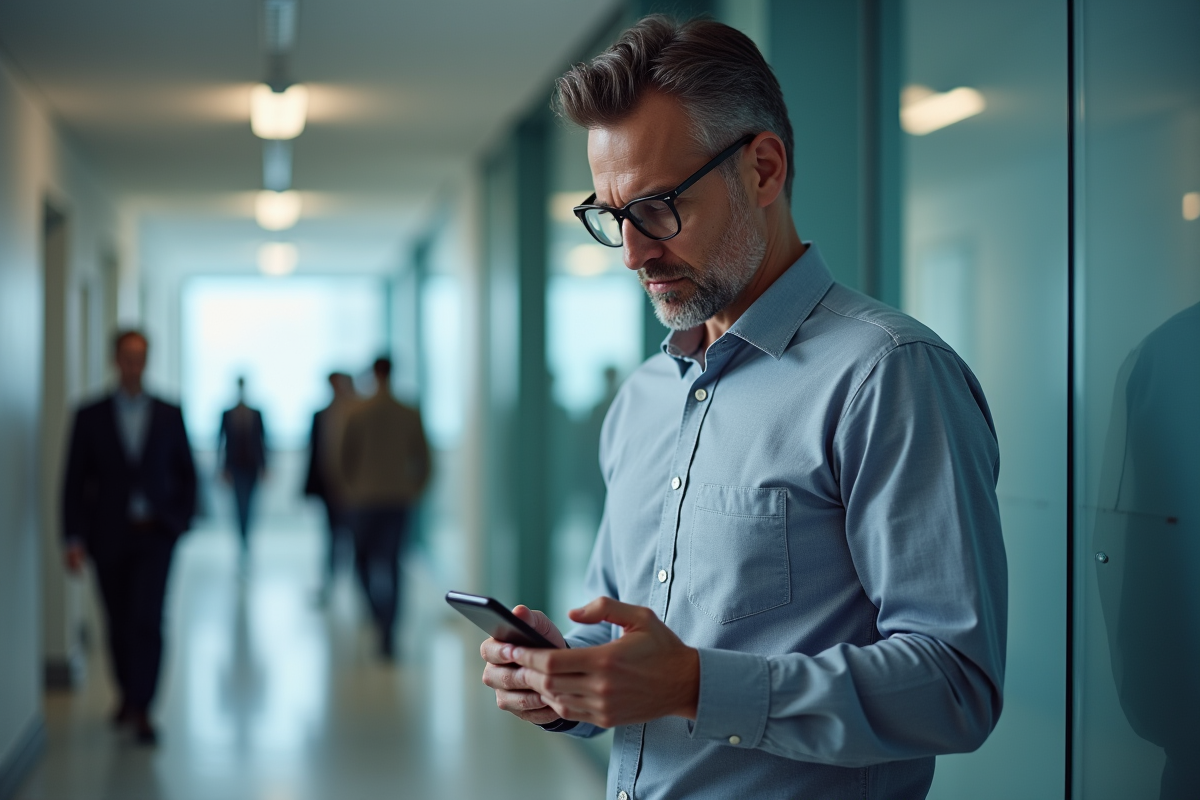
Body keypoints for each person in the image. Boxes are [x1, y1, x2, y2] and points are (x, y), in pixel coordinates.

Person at [478, 16, 1007, 800]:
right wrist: (565, 683)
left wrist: (695, 685)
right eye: (612, 216)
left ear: (762, 171)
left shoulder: (887, 377)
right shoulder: (643, 400)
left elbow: (954, 686)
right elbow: (622, 639)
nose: (631, 253)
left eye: (658, 208)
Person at [62, 330, 197, 745]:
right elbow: (74, 480)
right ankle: (125, 692)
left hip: (155, 534)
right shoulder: (90, 415)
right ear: (114, 359)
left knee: (148, 617)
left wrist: (178, 523)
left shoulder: (169, 413)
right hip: (109, 534)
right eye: (126, 356)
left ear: (148, 360)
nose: (133, 364)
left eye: (140, 356)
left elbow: (187, 474)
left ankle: (143, 706)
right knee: (117, 620)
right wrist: (72, 538)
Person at [340, 357, 431, 658]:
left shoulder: (356, 411)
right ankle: (388, 628)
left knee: (362, 562)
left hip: (365, 499)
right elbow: (425, 460)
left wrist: (351, 489)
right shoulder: (407, 412)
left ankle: (379, 617)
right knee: (392, 564)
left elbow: (342, 459)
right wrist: (412, 490)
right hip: (397, 498)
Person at [304, 371, 357, 604]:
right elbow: (315, 453)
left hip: (355, 490)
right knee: (331, 536)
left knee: (354, 538)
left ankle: (357, 589)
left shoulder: (357, 413)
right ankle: (330, 584)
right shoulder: (320, 415)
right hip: (328, 486)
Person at [218, 376, 267, 559]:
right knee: (239, 505)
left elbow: (262, 441)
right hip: (235, 466)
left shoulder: (255, 413)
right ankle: (242, 539)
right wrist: (222, 468)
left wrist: (264, 467)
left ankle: (246, 538)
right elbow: (221, 441)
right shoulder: (227, 413)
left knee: (250, 505)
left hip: (252, 466)